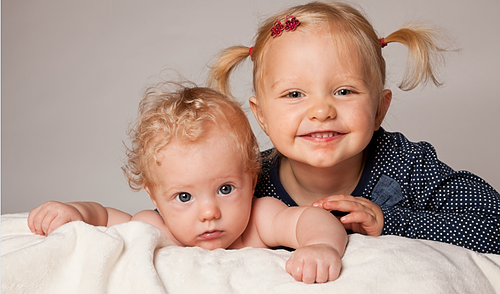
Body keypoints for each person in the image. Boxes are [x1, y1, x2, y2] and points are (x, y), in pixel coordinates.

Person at [208, 1, 500, 254]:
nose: (321, 111)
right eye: (294, 94)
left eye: (344, 91)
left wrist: (389, 221)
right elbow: (178, 223)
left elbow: (494, 225)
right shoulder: (246, 180)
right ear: (262, 116)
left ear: (379, 110)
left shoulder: (407, 166)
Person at [28, 83, 347, 284]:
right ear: (154, 195)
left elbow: (312, 219)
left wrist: (321, 246)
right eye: (183, 196)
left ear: (251, 180)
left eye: (225, 189)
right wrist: (73, 212)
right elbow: (103, 217)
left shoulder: (260, 220)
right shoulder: (156, 227)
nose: (209, 212)